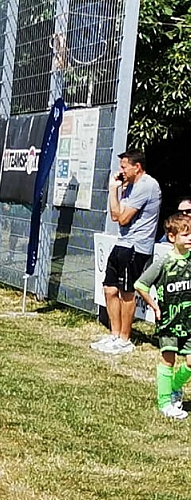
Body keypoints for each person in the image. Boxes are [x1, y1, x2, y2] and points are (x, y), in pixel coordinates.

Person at [96, 149, 162, 355]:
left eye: (124, 167)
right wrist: (113, 190)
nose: (121, 171)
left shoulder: (147, 185)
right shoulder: (129, 186)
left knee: (127, 292)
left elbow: (124, 219)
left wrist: (118, 200)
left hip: (137, 246)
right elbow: (115, 216)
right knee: (109, 288)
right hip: (122, 243)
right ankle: (114, 335)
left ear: (137, 167)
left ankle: (125, 339)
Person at [136, 213, 191, 419]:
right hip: (169, 322)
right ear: (172, 237)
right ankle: (165, 403)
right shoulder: (164, 262)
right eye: (185, 234)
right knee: (168, 361)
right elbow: (141, 285)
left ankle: (175, 386)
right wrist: (155, 307)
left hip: (189, 322)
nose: (190, 238)